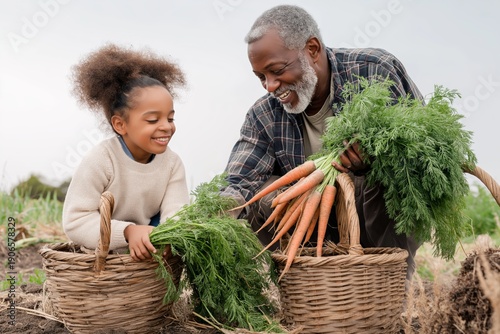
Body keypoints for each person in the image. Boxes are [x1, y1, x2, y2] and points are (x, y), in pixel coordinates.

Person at [220, 5, 422, 279]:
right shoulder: (263, 114)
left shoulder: (374, 72)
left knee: (390, 180)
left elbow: (420, 150)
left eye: (277, 70)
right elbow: (238, 182)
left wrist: (373, 158)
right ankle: (305, 280)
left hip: (371, 219)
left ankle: (392, 281)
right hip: (313, 232)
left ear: (312, 50)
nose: (269, 85)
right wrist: (216, 213)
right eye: (261, 77)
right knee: (264, 196)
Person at [63, 44, 189, 261]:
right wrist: (129, 232)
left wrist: (167, 237)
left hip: (148, 256)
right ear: (120, 125)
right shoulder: (102, 160)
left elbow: (176, 213)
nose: (166, 127)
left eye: (170, 118)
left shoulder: (172, 164)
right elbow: (76, 221)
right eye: (152, 120)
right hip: (103, 256)